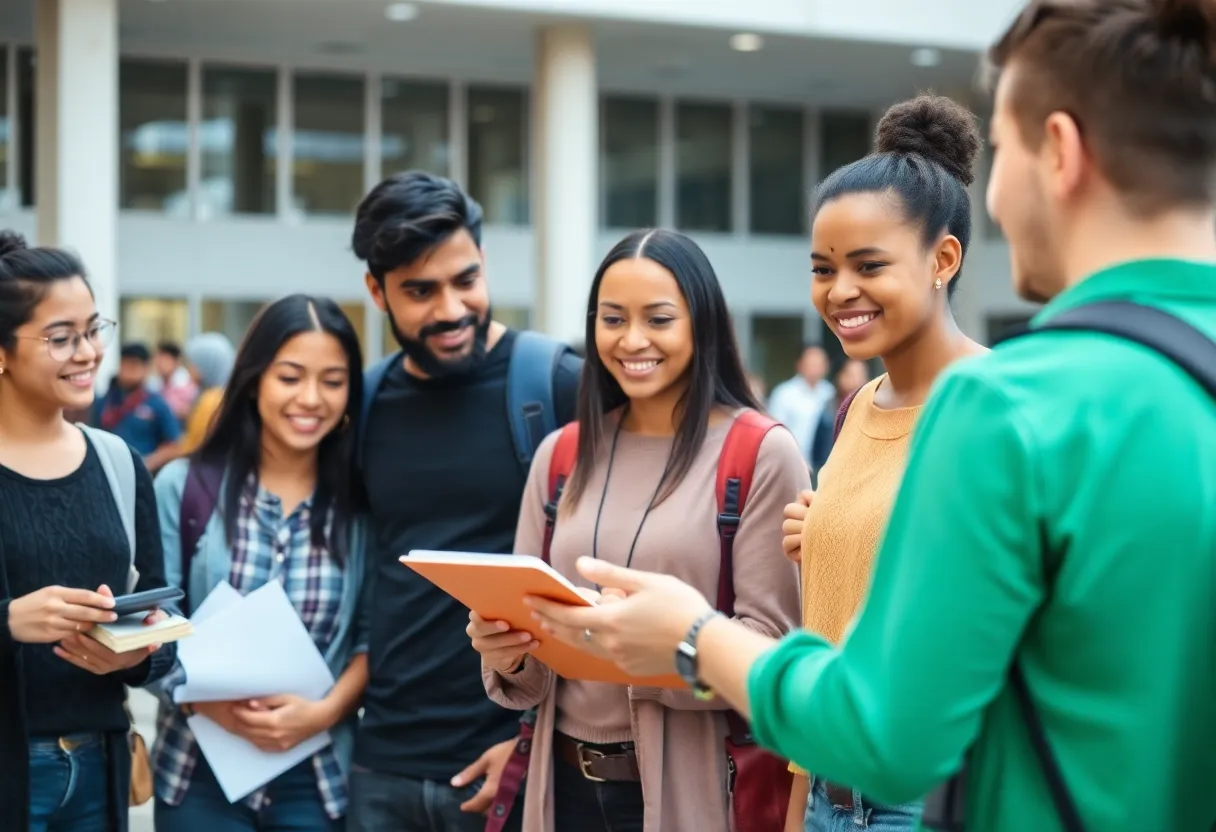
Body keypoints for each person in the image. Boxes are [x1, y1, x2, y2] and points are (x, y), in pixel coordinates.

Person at [519, 0, 1216, 829]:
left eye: (1003, 149)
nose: (988, 195)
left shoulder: (1007, 405)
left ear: (1058, 151)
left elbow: (886, 734)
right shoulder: (900, 410)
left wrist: (693, 636)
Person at [468, 228, 807, 831]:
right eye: (612, 318)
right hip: (561, 788)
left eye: (658, 319)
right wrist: (509, 653)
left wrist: (659, 644)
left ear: (701, 325)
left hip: (694, 788)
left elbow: (772, 650)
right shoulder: (561, 455)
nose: (631, 340)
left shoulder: (759, 453)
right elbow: (531, 648)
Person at [347, 171, 582, 832]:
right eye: (420, 291)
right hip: (381, 765)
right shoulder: (363, 405)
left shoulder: (557, 384)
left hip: (509, 762)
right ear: (377, 291)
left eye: (466, 280)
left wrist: (533, 743)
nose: (450, 309)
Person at [149, 294, 371, 831]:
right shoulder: (184, 487)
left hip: (315, 776)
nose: (311, 399)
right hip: (198, 773)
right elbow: (150, 631)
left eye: (333, 381)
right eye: (290, 377)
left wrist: (323, 714)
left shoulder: (360, 504)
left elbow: (369, 634)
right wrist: (206, 705)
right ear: (254, 380)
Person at [0, 230, 178, 831]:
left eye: (92, 330)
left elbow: (161, 632)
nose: (88, 353)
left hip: (101, 764)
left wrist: (127, 658)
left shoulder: (118, 463)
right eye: (61, 338)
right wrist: (7, 621)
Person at [93, 342, 183, 473]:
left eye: (134, 364)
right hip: (107, 471)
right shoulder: (104, 401)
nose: (129, 369)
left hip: (141, 474)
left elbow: (173, 444)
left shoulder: (157, 403)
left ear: (146, 368)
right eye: (125, 364)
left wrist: (146, 464)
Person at [766, 344, 834, 463]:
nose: (815, 368)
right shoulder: (784, 394)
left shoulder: (830, 392)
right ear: (799, 365)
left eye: (819, 364)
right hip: (792, 463)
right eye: (811, 364)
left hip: (824, 466)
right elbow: (774, 433)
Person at [808, 358, 871, 475]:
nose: (856, 380)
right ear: (840, 377)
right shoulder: (829, 409)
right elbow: (820, 453)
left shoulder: (874, 407)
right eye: (850, 374)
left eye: (860, 375)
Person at [179, 331, 236, 455]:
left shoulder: (213, 399)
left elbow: (194, 446)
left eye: (192, 364)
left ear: (207, 364)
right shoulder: (230, 395)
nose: (188, 369)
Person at [150, 340, 200, 422]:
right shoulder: (154, 383)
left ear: (177, 362)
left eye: (165, 359)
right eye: (158, 358)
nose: (160, 363)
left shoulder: (186, 386)